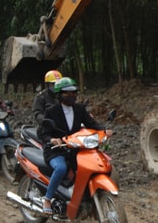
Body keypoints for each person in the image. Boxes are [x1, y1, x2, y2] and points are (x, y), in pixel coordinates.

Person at [38, 77, 110, 214]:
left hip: (75, 148)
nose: (72, 96)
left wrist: (104, 130)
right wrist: (53, 139)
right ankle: (47, 198)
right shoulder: (51, 111)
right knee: (61, 168)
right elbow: (43, 133)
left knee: (90, 164)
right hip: (56, 150)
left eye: (74, 93)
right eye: (67, 93)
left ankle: (82, 196)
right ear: (59, 94)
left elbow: (91, 123)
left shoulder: (79, 109)